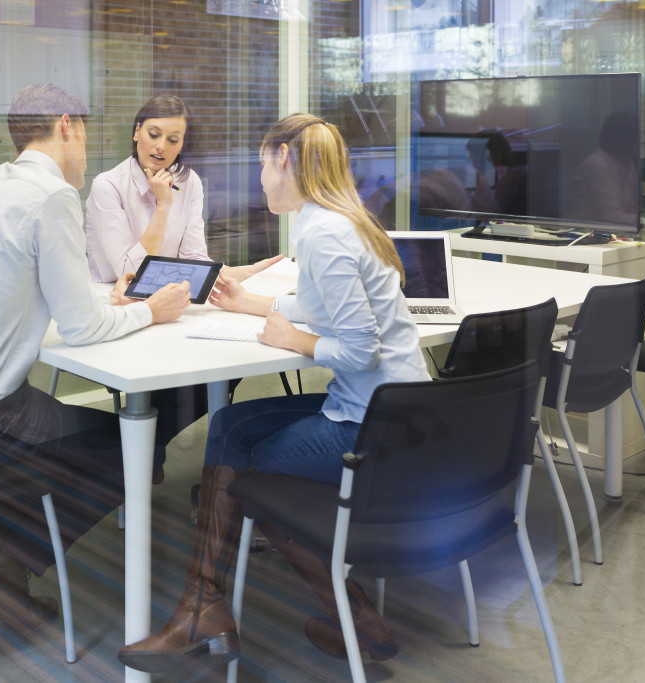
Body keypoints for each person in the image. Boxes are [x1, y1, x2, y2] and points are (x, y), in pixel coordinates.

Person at [117, 113, 431, 673]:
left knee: (247, 477)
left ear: (284, 159)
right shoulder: (339, 220)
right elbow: (320, 303)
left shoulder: (324, 233)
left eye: (263, 163)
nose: (260, 177)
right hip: (396, 409)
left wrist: (299, 343)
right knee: (231, 426)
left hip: (374, 425)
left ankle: (337, 616)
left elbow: (361, 350)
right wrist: (253, 305)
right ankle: (208, 601)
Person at [0, 83, 192, 661]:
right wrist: (149, 310)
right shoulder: (52, 196)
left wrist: (101, 308)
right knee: (129, 455)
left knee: (97, 446)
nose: (88, 149)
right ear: (68, 125)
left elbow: (37, 298)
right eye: (86, 131)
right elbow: (84, 330)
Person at [85, 94, 282, 448]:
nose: (160, 147)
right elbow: (130, 272)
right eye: (153, 134)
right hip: (115, 303)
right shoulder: (108, 186)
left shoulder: (189, 181)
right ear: (136, 132)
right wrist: (162, 206)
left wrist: (235, 272)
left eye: (173, 140)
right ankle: (141, 451)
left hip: (169, 298)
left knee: (229, 362)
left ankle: (150, 446)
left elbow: (193, 256)